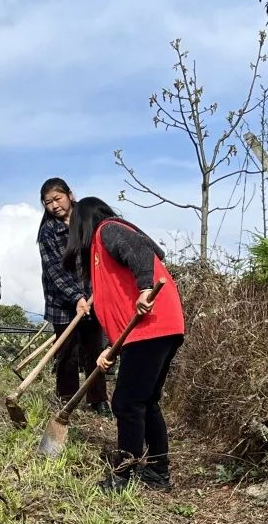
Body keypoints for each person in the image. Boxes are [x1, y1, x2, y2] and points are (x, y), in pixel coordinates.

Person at [62, 197, 185, 492]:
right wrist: (111, 347)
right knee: (145, 401)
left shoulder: (108, 229)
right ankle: (157, 471)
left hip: (151, 327)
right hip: (153, 329)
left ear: (83, 220)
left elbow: (142, 248)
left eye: (71, 222)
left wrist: (145, 287)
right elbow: (117, 306)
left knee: (126, 403)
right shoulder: (98, 256)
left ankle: (123, 474)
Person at [37, 178, 109, 415]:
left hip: (93, 297)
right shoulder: (48, 231)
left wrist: (92, 293)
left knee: (94, 351)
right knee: (67, 353)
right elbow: (54, 270)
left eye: (58, 199)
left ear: (70, 194)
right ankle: (67, 400)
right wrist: (75, 296)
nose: (54, 205)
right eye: (48, 202)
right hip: (62, 302)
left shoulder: (87, 219)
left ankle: (98, 400)